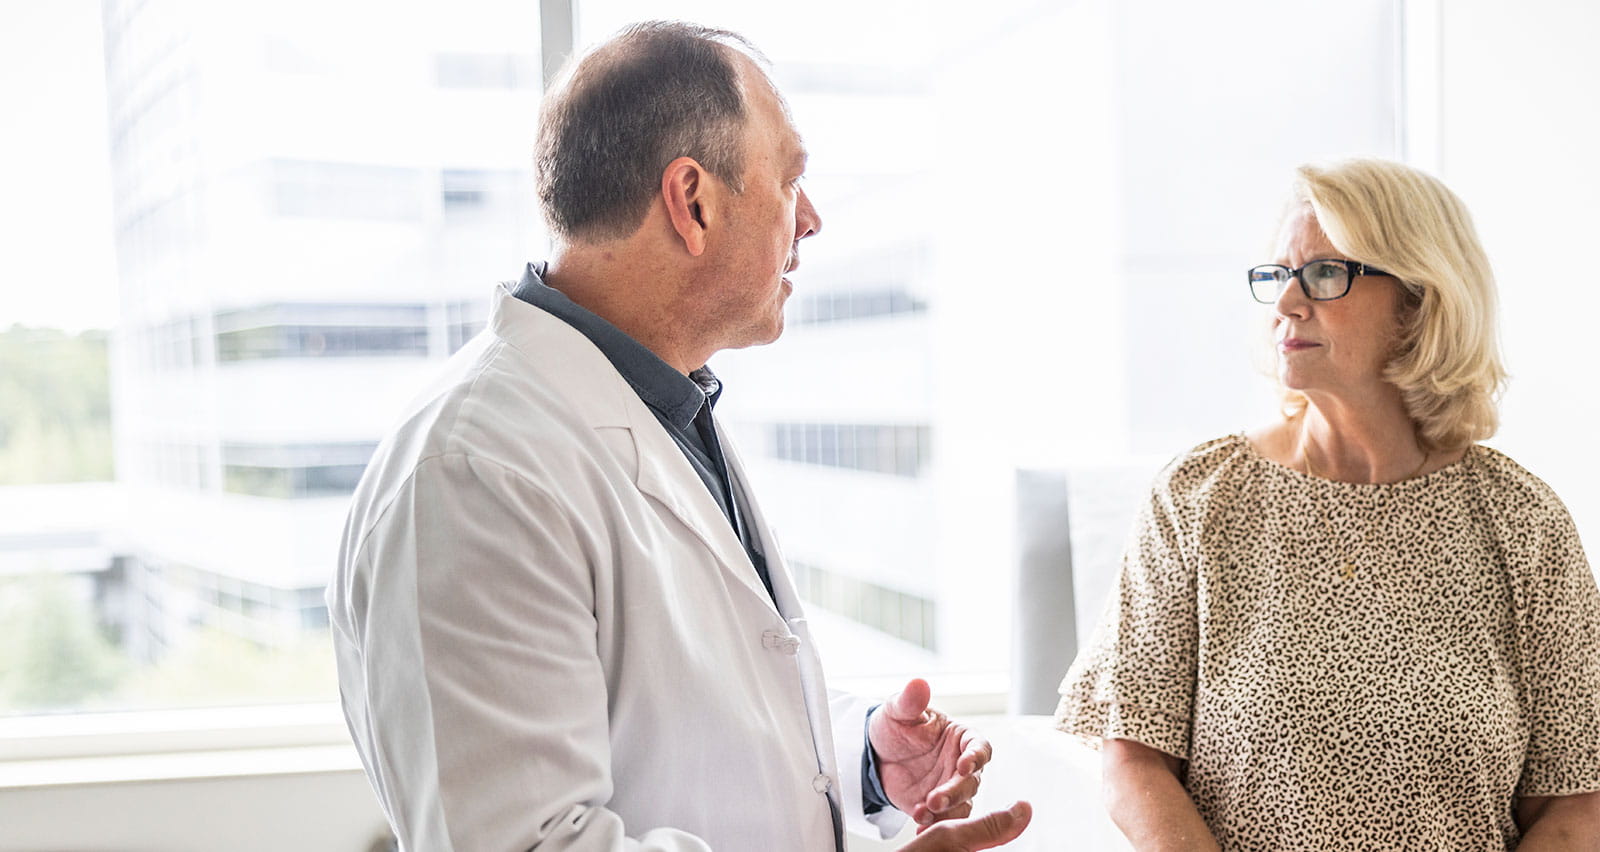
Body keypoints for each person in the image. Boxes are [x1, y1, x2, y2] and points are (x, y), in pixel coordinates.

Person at [325, 20, 1030, 852]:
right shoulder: (476, 473)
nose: (810, 219)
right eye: (790, 180)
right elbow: (525, 842)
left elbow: (690, 719)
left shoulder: (662, 403)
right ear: (692, 202)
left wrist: (863, 761)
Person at [1054, 158, 1600, 849]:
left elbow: (1577, 801)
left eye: (1323, 273)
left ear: (1419, 299)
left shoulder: (1523, 522)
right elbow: (1133, 760)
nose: (1286, 300)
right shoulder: (1197, 498)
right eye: (1280, 274)